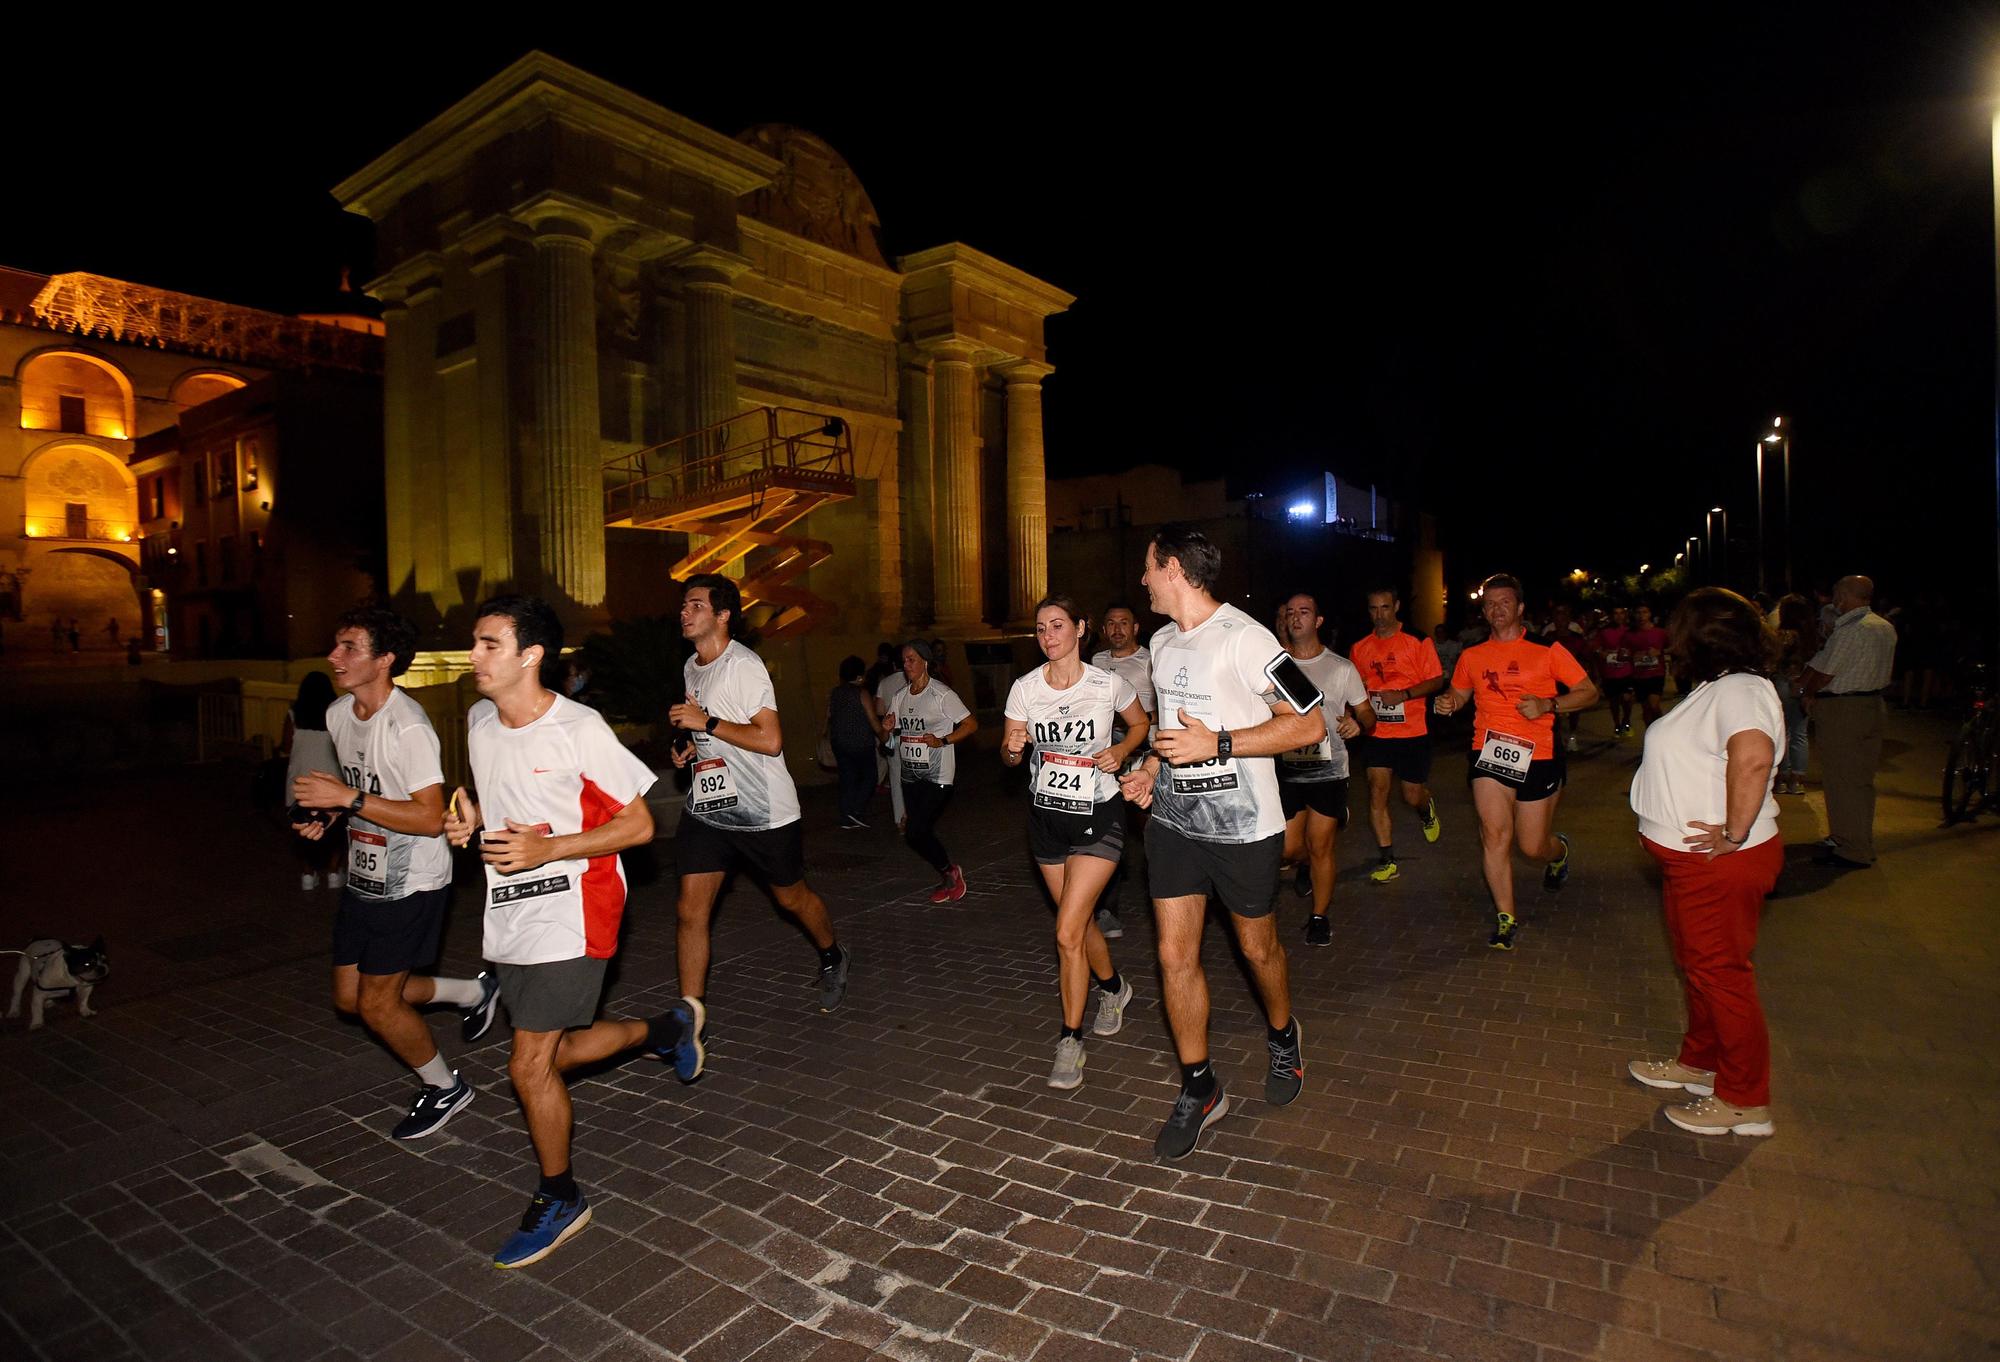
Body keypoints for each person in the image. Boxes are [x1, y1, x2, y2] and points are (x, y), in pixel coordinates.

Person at [443, 596, 696, 1269]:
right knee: (552, 1058)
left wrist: (550, 850)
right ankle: (662, 1032)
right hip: (511, 912)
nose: (474, 656)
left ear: (530, 655)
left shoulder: (578, 728)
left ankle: (561, 1197)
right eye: (475, 642)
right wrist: (464, 818)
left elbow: (640, 827)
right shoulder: (477, 720)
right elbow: (490, 798)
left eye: (489, 643)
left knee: (526, 1064)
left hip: (578, 907)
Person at [1117, 525, 1325, 1160]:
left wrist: (1221, 743)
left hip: (1242, 828)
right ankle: (1200, 1087)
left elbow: (1310, 722)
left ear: (1173, 568)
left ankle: (1284, 1034)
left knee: (1256, 949)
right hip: (1177, 824)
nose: (1144, 579)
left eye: (1149, 569)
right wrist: (1153, 769)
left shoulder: (1246, 638)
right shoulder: (1160, 643)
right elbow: (1173, 732)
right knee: (1174, 955)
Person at [291, 608, 501, 1144]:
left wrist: (347, 797)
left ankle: (445, 1086)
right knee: (349, 999)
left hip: (414, 880)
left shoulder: (408, 726)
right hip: (366, 874)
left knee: (378, 1002)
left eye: (350, 647)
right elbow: (368, 792)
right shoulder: (340, 715)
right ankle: (471, 993)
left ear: (384, 661)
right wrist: (332, 816)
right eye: (336, 645)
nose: (335, 657)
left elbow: (430, 816)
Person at [1627, 588, 1784, 1137]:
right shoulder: (1721, 688)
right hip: (1693, 865)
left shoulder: (1740, 689)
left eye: (1678, 628)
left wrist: (1734, 833)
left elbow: (1755, 755)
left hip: (1717, 866)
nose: (1671, 639)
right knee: (1701, 970)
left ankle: (1744, 1098)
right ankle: (1700, 1063)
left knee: (1721, 976)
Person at [668, 574, 851, 1018]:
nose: (685, 613)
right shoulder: (693, 665)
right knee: (691, 911)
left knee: (791, 898)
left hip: (762, 812)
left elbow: (770, 741)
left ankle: (832, 954)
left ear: (723, 615)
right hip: (710, 809)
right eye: (684, 606)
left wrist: (706, 723)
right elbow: (708, 727)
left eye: (696, 605)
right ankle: (690, 1019)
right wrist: (691, 747)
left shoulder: (743, 667)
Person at [1001, 595, 1151, 1088]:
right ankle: (1113, 987)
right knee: (1078, 919)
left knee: (1066, 931)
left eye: (1058, 625)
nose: (1048, 636)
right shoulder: (1024, 690)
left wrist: (1124, 749)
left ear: (1080, 629)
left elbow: (1140, 725)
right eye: (1041, 629)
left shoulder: (1107, 684)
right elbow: (1010, 752)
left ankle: (1070, 1039)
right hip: (1046, 818)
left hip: (1098, 814)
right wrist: (1011, 748)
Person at [1433, 574, 1599, 950]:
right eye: (1490, 603)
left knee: (1531, 847)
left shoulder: (1547, 649)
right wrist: (1448, 703)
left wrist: (1548, 704)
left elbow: (1589, 692)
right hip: (1488, 753)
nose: (1497, 609)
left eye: (1505, 602)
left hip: (1539, 755)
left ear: (1520, 608)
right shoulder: (1472, 654)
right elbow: (1459, 693)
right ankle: (1506, 917)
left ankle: (1559, 853)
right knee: (1493, 836)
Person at [1274, 591, 1372, 943]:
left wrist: (1359, 724)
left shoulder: (1341, 667)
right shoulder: (1274, 669)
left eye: (1304, 612)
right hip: (1286, 769)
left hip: (1329, 771)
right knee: (1287, 848)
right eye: (1290, 612)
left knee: (1322, 847)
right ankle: (1302, 865)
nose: (1296, 617)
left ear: (1318, 621)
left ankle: (1319, 916)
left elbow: (1367, 713)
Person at [1799, 575, 1898, 869]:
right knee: (1860, 780)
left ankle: (1852, 847)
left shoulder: (1851, 630)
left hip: (1845, 708)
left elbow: (1826, 672)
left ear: (1843, 595)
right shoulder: (1884, 626)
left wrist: (1807, 691)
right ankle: (1851, 837)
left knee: (1842, 780)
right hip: (1872, 704)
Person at [1350, 588, 1446, 887]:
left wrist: (1404, 694)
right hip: (1377, 732)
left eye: (1385, 608)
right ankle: (1387, 859)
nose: (1379, 615)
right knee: (1377, 791)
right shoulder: (1360, 647)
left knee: (1411, 795)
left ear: (1397, 607)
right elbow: (1353, 688)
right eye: (1373, 609)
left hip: (1413, 732)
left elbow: (1437, 679)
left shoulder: (1417, 640)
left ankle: (1425, 808)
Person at [882, 639, 978, 902]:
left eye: (912, 659)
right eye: (904, 660)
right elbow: (886, 738)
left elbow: (970, 724)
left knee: (916, 830)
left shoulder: (942, 694)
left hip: (938, 776)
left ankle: (950, 871)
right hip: (910, 776)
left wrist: (943, 740)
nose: (907, 664)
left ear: (925, 661)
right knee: (916, 833)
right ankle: (947, 873)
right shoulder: (900, 697)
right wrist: (887, 728)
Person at [1088, 601, 1157, 939]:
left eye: (1124, 623)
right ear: (1103, 630)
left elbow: (1165, 709)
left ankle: (1165, 895)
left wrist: (1134, 722)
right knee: (1108, 828)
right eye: (1111, 623)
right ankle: (1107, 910)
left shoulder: (1150, 662)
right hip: (1105, 758)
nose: (1117, 629)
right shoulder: (1096, 662)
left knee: (1149, 829)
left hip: (1144, 756)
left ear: (1135, 628)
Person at [282, 670, 344, 891]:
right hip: (331, 780)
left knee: (302, 831)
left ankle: (308, 873)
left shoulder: (293, 713)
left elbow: (286, 747)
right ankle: (335, 870)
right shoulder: (336, 714)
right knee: (335, 831)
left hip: (301, 782)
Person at [827, 655, 882, 828]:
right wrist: (882, 733)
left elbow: (830, 715)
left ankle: (846, 816)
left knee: (847, 779)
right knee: (870, 777)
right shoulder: (862, 693)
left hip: (840, 742)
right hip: (861, 742)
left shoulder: (836, 692)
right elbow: (872, 719)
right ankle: (856, 810)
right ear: (859, 676)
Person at [1772, 594, 1814, 795]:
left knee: (1784, 732)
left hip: (1784, 681)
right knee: (1800, 732)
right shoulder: (1812, 634)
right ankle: (1798, 780)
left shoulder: (1784, 634)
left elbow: (1774, 659)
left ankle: (1782, 777)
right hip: (1804, 681)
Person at [1594, 606, 1636, 736]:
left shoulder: (1631, 630)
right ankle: (1617, 725)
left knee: (1627, 699)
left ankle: (1627, 721)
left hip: (1627, 672)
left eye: (1621, 613)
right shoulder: (1604, 631)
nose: (1619, 616)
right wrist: (1601, 652)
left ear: (1625, 615)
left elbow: (1639, 646)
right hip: (1610, 673)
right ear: (1612, 616)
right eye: (1615, 613)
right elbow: (1595, 647)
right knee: (1614, 702)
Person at [1626, 605, 1670, 727]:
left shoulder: (1660, 632)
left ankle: (1661, 730)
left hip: (1656, 673)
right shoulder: (1629, 634)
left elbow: (1673, 648)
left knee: (1654, 705)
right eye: (1638, 612)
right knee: (1646, 708)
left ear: (1650, 614)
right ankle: (1649, 734)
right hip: (1639, 676)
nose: (1641, 616)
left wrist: (1659, 652)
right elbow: (1623, 654)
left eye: (1644, 612)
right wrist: (1632, 656)